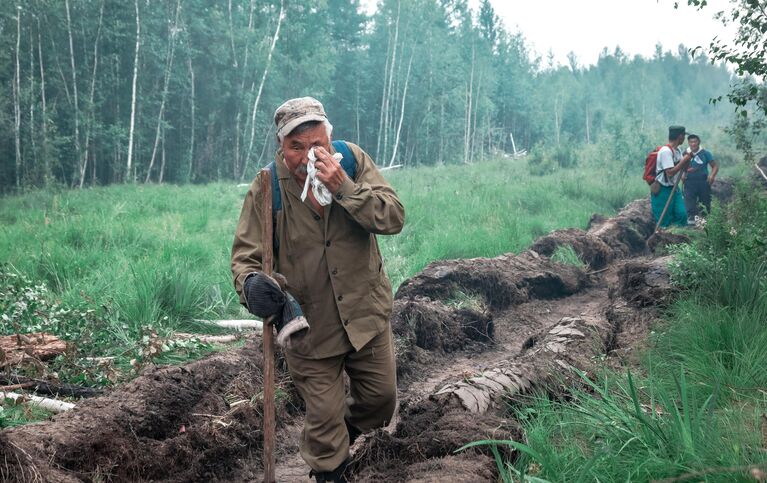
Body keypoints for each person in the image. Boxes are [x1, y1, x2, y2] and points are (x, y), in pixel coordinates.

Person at [231, 97, 405, 483]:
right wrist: (251, 285)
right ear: (281, 146)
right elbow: (246, 258)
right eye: (296, 147)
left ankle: (339, 440)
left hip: (364, 313)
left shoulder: (353, 162)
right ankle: (330, 467)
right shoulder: (266, 187)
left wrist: (343, 187)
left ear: (330, 139)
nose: (308, 155)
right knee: (324, 421)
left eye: (317, 145)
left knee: (380, 401)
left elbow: (393, 216)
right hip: (310, 326)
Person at [651, 125, 695, 227]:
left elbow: (683, 168)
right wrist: (683, 160)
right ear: (680, 136)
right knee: (664, 221)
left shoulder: (678, 150)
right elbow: (670, 173)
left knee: (682, 215)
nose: (684, 139)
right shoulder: (665, 151)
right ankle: (665, 240)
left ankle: (677, 237)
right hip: (663, 189)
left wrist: (687, 159)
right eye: (684, 136)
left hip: (674, 189)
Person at [683, 133, 718, 223]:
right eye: (691, 142)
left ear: (699, 142)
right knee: (690, 205)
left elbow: (715, 166)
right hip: (689, 182)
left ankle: (703, 226)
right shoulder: (685, 154)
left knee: (704, 204)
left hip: (703, 182)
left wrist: (712, 176)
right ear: (688, 143)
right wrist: (683, 175)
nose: (693, 144)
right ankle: (692, 227)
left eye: (695, 141)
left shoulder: (705, 153)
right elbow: (681, 167)